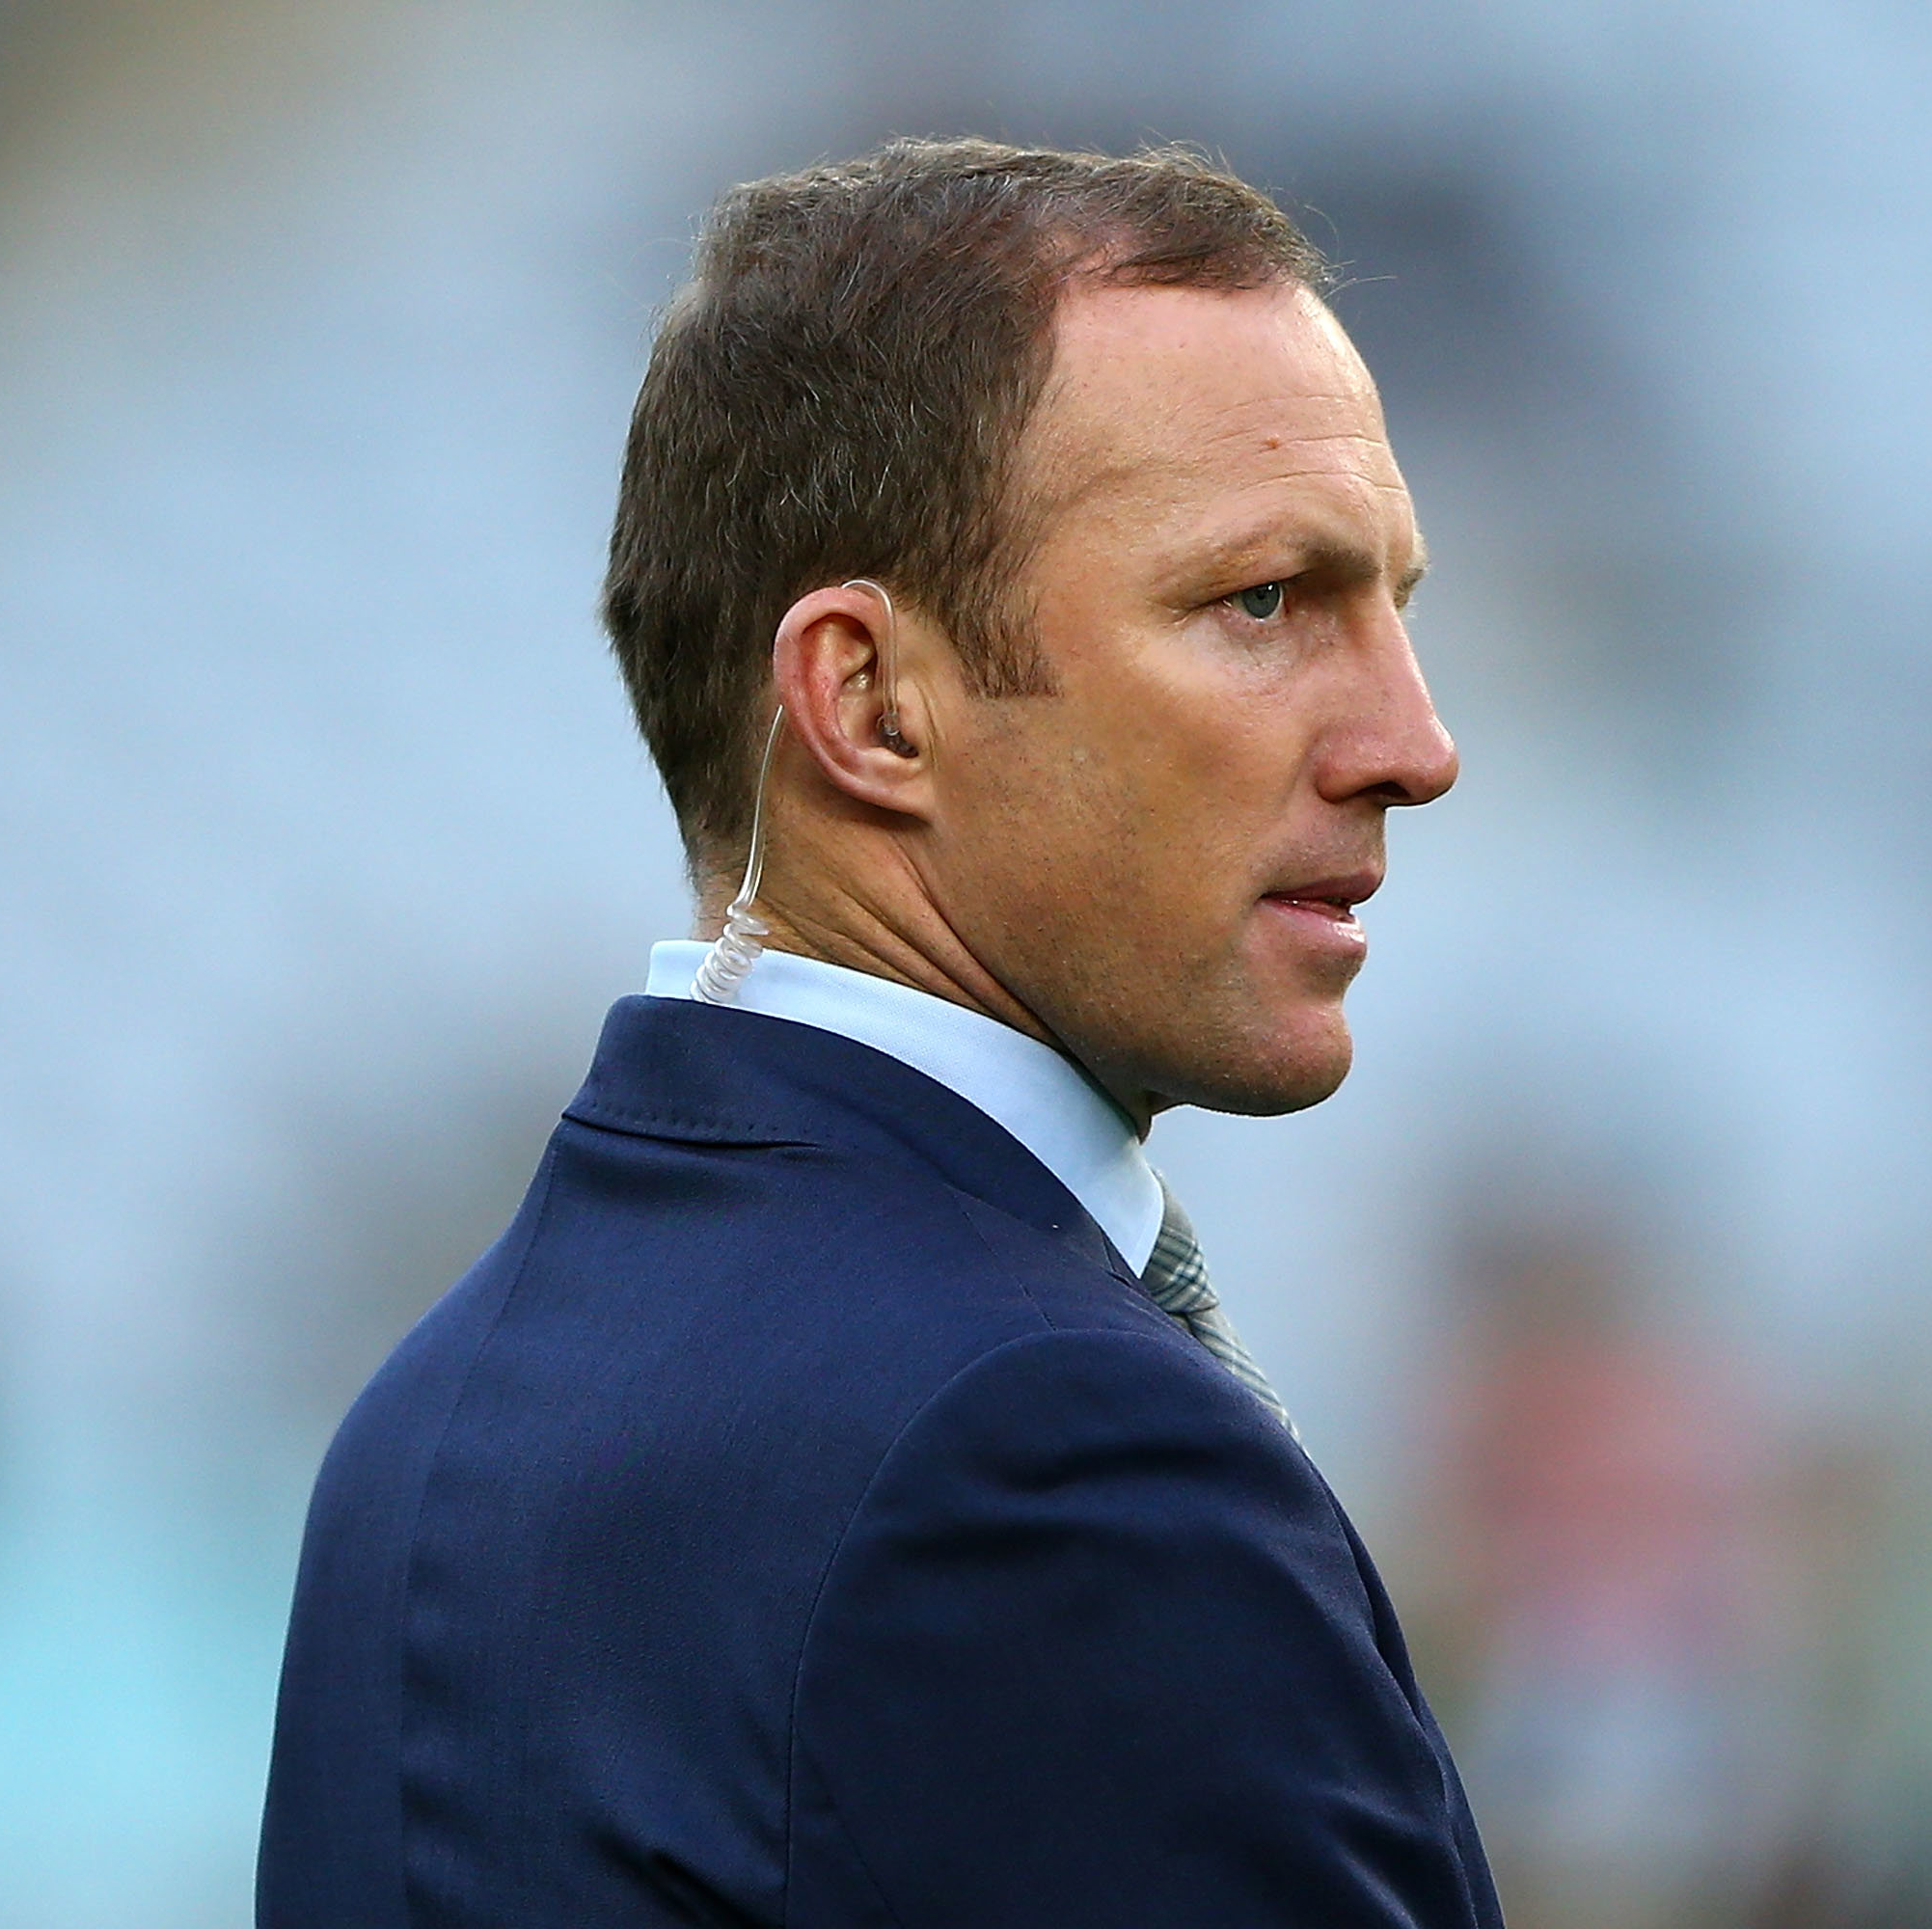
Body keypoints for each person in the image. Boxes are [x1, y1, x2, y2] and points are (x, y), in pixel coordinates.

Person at [255, 137, 1494, 1927]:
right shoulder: (1047, 1452)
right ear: (870, 703)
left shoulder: (427, 1421)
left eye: (1398, 605)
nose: (1416, 744)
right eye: (1263, 600)